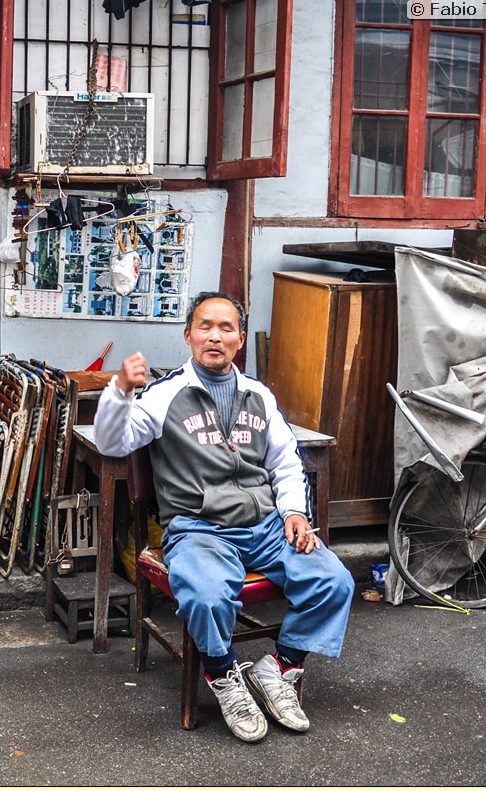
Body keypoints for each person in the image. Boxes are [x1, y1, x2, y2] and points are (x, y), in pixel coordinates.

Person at [92, 291, 354, 742]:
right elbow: (112, 444)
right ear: (188, 334)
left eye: (226, 328)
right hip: (198, 529)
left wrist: (294, 511)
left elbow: (286, 463)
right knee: (208, 595)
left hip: (266, 527)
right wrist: (119, 392)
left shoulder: (259, 395)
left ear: (240, 338)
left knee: (333, 580)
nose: (215, 336)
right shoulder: (164, 394)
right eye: (205, 327)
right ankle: (223, 675)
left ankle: (279, 669)